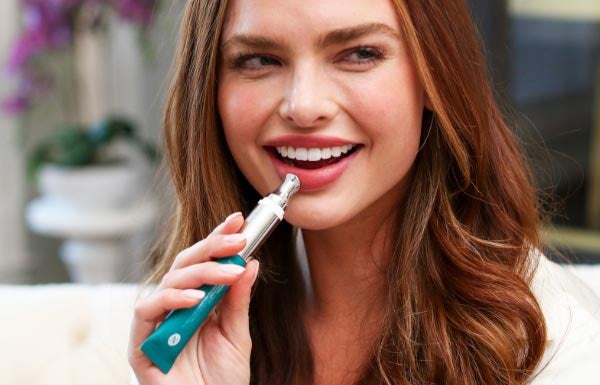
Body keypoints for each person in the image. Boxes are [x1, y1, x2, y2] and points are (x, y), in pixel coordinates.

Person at [128, 0, 600, 384]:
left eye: (359, 54)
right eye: (259, 60)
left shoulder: (559, 343)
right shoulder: (188, 334)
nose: (304, 106)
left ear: (435, 77)